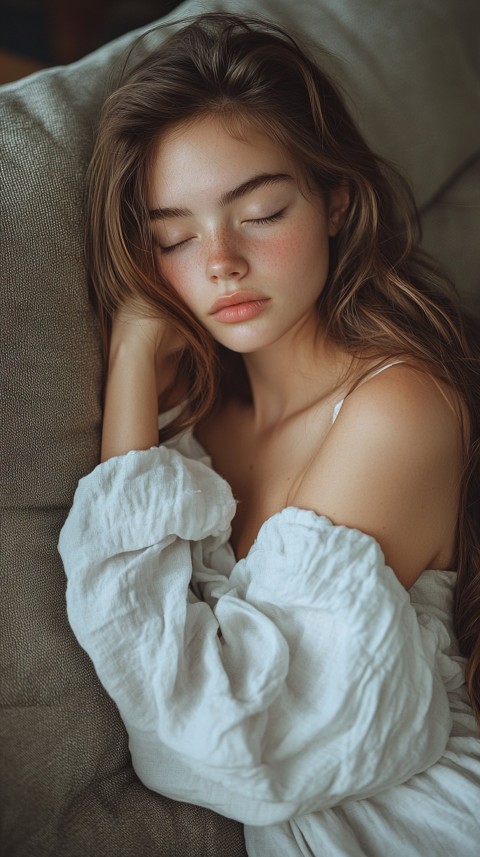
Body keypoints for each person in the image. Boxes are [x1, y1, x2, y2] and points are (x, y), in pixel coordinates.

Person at [59, 12, 480, 856]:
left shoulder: (397, 409)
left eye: (258, 212)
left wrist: (138, 361)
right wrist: (138, 354)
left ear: (336, 202)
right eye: (173, 235)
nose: (218, 261)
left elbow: (234, 745)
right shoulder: (192, 422)